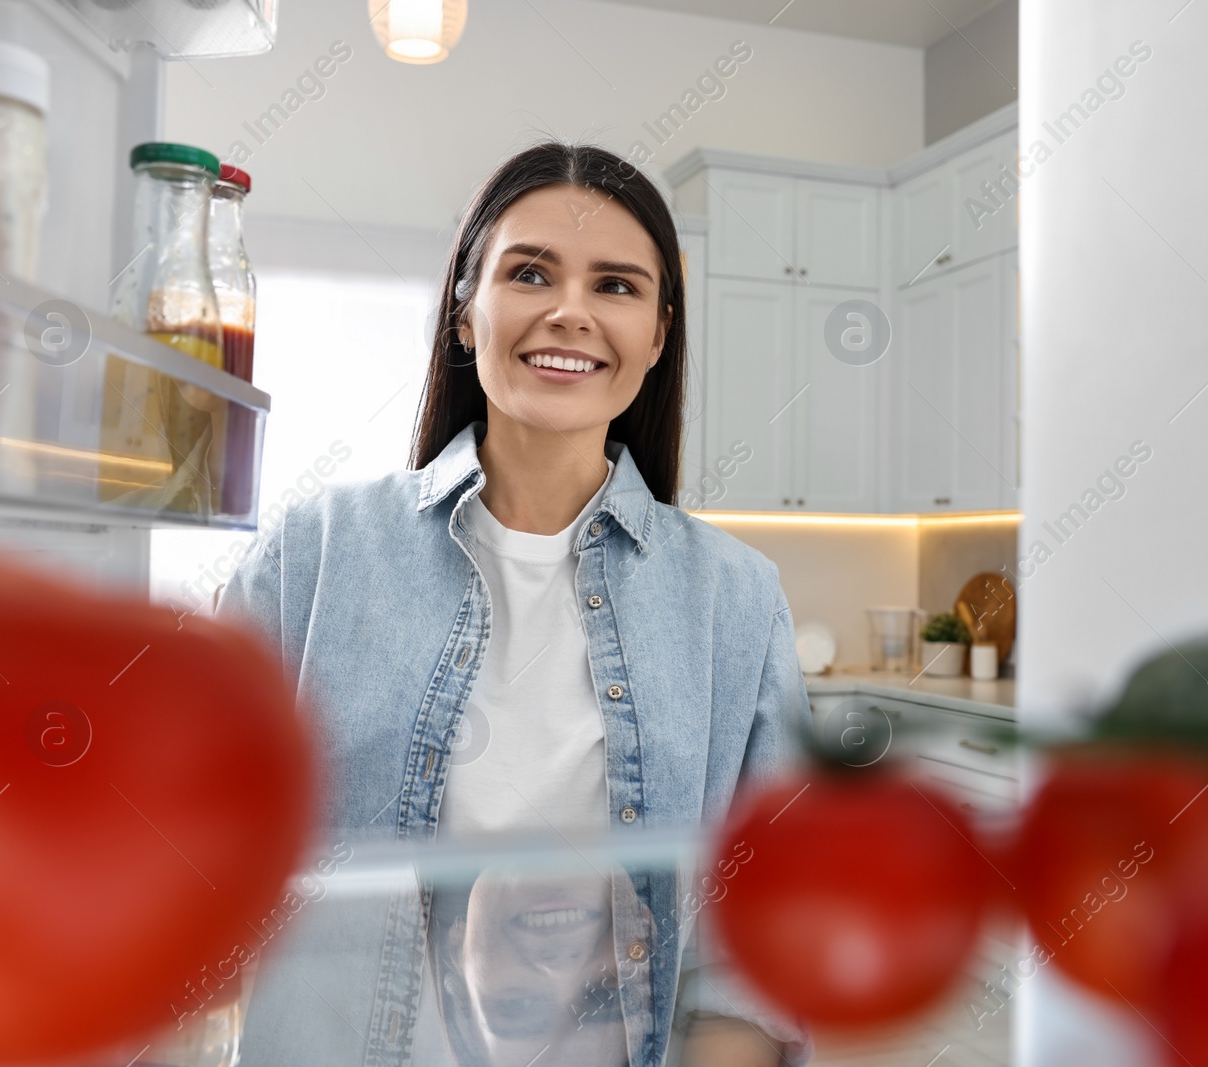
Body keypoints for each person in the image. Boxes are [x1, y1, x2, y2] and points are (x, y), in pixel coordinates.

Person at [216, 140, 812, 1066]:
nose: (571, 312)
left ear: (658, 335)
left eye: (616, 285)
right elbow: (191, 841)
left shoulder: (734, 598)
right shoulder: (315, 553)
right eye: (530, 272)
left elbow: (764, 931)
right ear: (466, 313)